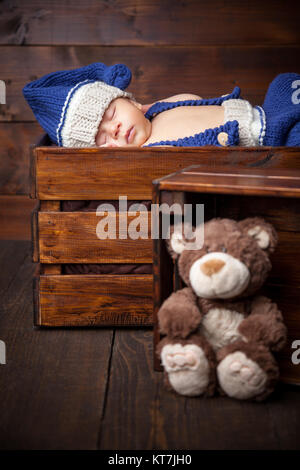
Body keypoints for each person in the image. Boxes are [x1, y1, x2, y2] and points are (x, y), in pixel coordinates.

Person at [23, 62, 300, 148]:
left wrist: (154, 106)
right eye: (102, 138)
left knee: (284, 80)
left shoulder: (158, 112)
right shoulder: (151, 152)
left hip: (264, 110)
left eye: (110, 113)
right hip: (271, 139)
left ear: (127, 99)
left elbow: (190, 100)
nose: (115, 128)